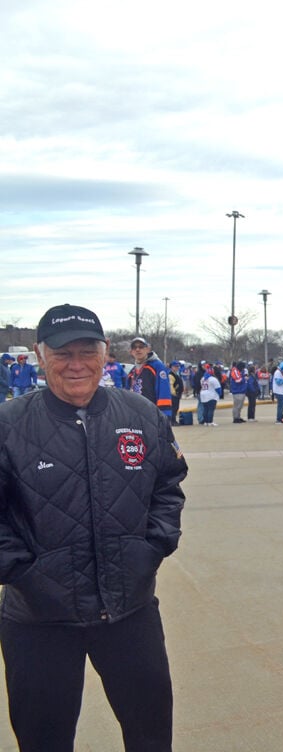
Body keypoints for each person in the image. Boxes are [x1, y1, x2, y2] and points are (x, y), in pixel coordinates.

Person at [0, 304, 187, 751]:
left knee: (151, 735)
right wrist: (25, 572)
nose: (77, 364)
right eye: (63, 354)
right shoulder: (9, 425)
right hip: (39, 617)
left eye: (88, 351)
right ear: (42, 357)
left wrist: (152, 548)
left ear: (106, 354)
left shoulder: (140, 414)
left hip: (130, 609)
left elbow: (169, 484)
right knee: (44, 739)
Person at [127, 337, 173, 418]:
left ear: (147, 349)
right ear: (131, 352)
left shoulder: (157, 366)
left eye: (141, 347)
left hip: (152, 414)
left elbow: (164, 390)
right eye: (134, 347)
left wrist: (164, 415)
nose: (138, 349)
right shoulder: (132, 372)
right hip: (135, 415)